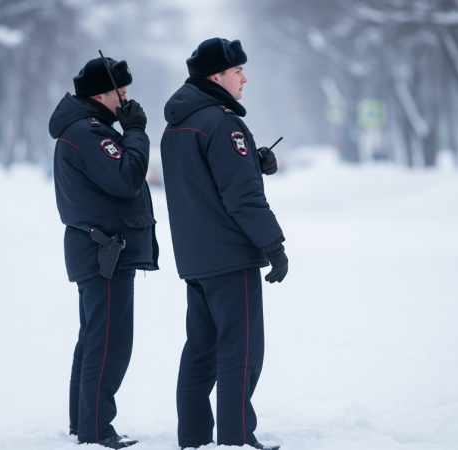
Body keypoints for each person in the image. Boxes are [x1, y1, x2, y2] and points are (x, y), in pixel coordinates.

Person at [160, 38, 287, 450]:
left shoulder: (179, 124)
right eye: (237, 72)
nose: (244, 78)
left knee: (201, 351)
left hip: (196, 258)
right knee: (241, 350)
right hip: (230, 258)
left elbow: (204, 184)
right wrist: (274, 245)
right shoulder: (222, 122)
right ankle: (235, 439)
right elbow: (241, 197)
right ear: (216, 76)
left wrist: (253, 159)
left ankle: (193, 438)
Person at [48, 55, 158, 449]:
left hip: (97, 250)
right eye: (121, 94)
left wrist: (126, 129)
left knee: (96, 338)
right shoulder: (90, 133)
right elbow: (127, 178)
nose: (126, 103)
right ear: (100, 95)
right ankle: (96, 430)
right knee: (109, 342)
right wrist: (137, 131)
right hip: (103, 252)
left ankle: (85, 425)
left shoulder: (84, 129)